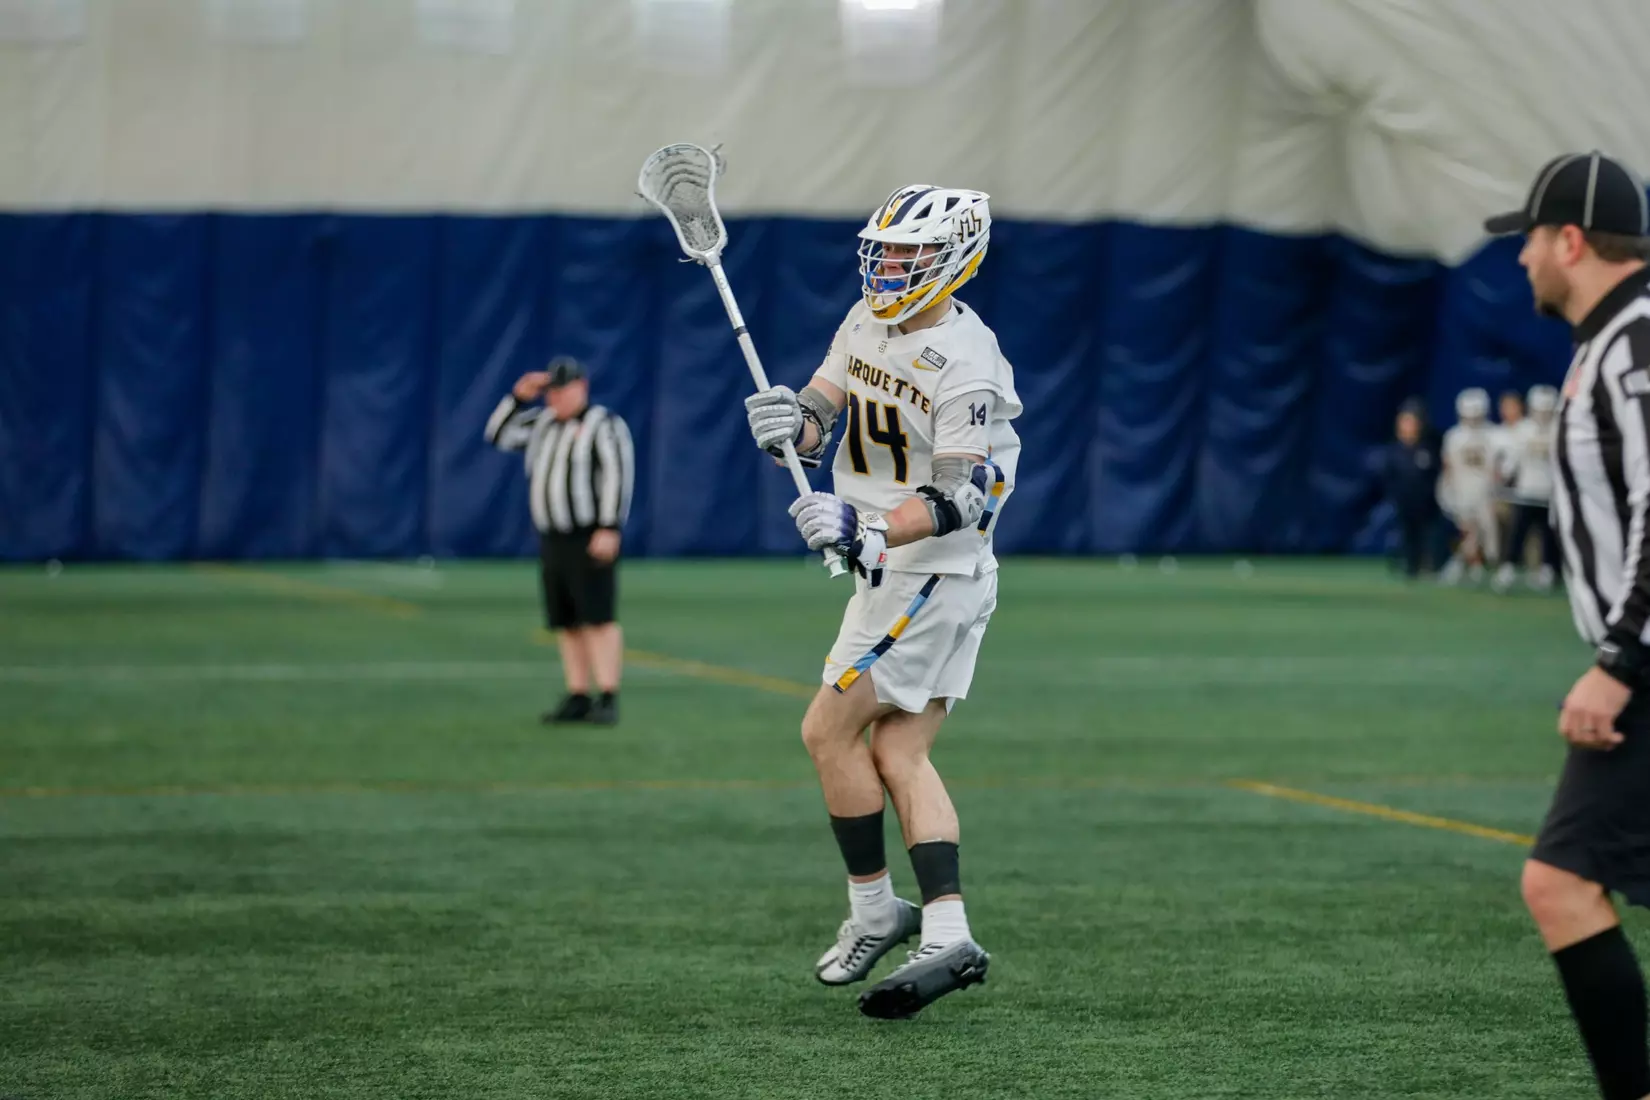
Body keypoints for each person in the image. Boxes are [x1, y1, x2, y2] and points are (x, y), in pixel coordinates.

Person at [743, 184, 1021, 1019]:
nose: (889, 268)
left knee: (826, 730)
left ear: (954, 259)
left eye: (908, 256)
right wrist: (790, 425)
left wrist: (865, 528)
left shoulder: (966, 359)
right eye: (886, 252)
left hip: (929, 572)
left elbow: (963, 492)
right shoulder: (867, 319)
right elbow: (823, 413)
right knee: (899, 753)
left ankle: (876, 912)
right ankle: (942, 929)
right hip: (904, 571)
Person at [1484, 149, 1650, 1100]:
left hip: (1646, 663)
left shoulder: (1635, 343)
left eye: (1531, 239)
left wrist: (1620, 661)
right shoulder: (1611, 341)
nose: (1522, 259)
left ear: (1573, 240)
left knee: (1560, 882)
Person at [484, 356, 634, 726]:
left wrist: (609, 526)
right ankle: (578, 693)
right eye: (551, 391)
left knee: (598, 616)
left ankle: (608, 694)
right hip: (553, 536)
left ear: (581, 387)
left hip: (589, 534)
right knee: (566, 619)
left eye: (562, 390)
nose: (555, 398)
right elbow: (497, 435)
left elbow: (617, 474)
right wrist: (518, 397)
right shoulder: (542, 423)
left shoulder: (604, 424)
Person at [1494, 383, 1562, 592]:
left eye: (1546, 410)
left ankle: (1548, 570)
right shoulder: (1523, 429)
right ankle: (1508, 568)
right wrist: (1504, 474)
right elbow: (1514, 458)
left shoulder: (1558, 428)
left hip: (1548, 493)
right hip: (1526, 492)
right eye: (1539, 410)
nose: (1542, 415)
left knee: (1549, 536)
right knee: (1518, 533)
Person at [1437, 387, 1499, 584]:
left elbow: (1498, 466)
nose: (1472, 420)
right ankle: (1471, 564)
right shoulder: (1453, 436)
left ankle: (1473, 564)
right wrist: (1446, 488)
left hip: (1486, 490)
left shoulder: (1494, 434)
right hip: (1463, 489)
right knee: (1466, 529)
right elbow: (1448, 466)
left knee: (1487, 532)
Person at [1379, 399, 1441, 578]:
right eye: (1404, 421)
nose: (1407, 426)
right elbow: (1389, 479)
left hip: (1428, 505)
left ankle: (1430, 564)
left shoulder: (1429, 448)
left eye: (1411, 421)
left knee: (1428, 535)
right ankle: (1410, 564)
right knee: (1408, 535)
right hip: (1404, 504)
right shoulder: (1394, 451)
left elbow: (1436, 475)